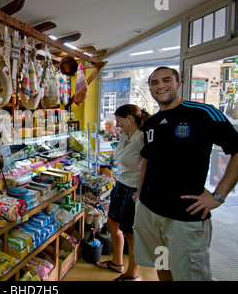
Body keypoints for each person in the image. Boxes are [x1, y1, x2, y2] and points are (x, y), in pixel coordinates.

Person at [133, 66, 238, 281]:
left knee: (190, 275)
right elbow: (147, 160)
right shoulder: (151, 123)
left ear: (178, 84)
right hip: (150, 213)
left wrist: (219, 195)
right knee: (162, 264)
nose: (160, 86)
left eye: (166, 80)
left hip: (184, 217)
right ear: (150, 89)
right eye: (154, 83)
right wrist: (139, 192)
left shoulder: (202, 113)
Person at [96, 104, 150, 281]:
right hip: (120, 185)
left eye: (119, 121)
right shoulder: (125, 135)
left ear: (130, 118)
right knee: (112, 224)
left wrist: (141, 191)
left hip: (134, 189)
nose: (117, 125)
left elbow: (147, 166)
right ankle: (116, 262)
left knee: (131, 233)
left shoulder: (142, 138)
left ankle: (131, 274)